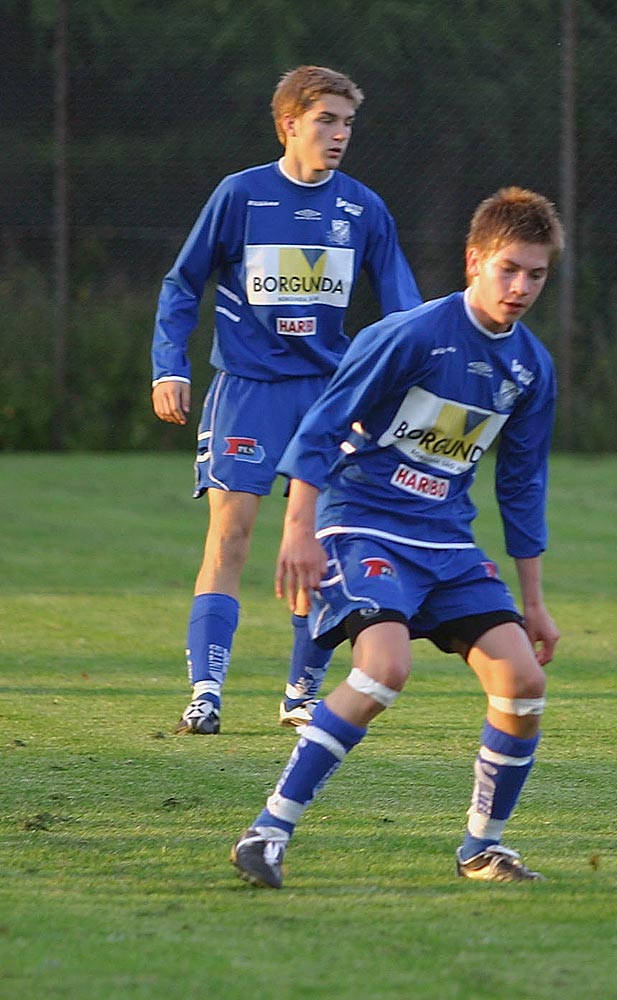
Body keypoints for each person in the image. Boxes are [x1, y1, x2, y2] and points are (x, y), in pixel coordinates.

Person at [229, 187, 564, 890]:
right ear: (473, 260)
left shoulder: (529, 368)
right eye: (509, 269)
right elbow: (323, 424)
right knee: (384, 668)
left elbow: (522, 486)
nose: (522, 287)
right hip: (361, 520)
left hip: (443, 539)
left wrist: (533, 604)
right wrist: (299, 528)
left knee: (522, 681)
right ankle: (268, 830)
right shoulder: (411, 335)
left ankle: (481, 847)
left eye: (536, 274)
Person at [151, 66, 422, 736]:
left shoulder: (363, 208)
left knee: (322, 545)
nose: (338, 134)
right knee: (232, 534)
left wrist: (407, 382)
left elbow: (402, 311)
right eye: (326, 120)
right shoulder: (240, 195)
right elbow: (183, 283)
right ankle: (206, 692)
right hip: (246, 390)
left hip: (328, 398)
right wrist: (168, 366)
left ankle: (302, 691)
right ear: (289, 124)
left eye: (347, 123)